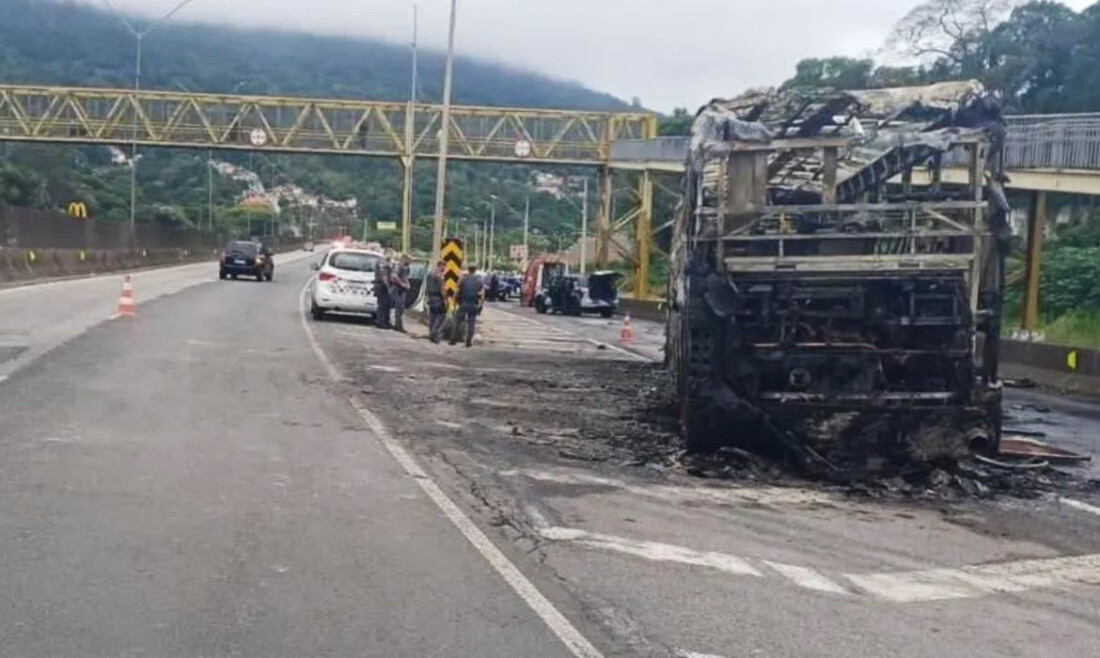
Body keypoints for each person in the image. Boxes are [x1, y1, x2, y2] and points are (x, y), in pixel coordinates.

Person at [450, 264, 484, 348]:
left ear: (468, 270)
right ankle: (468, 341)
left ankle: (453, 340)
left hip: (463, 303)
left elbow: (456, 291)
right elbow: (482, 294)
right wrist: (480, 305)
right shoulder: (479, 280)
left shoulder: (463, 279)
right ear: (475, 270)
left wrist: (453, 303)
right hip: (473, 304)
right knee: (471, 323)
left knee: (457, 321)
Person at [425, 259, 447, 343]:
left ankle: (431, 334)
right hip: (438, 298)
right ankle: (434, 334)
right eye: (444, 266)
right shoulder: (440, 275)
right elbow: (442, 289)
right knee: (441, 316)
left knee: (432, 316)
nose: (445, 268)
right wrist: (445, 300)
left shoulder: (430, 273)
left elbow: (426, 286)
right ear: (441, 266)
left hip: (431, 297)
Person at [390, 253, 411, 333]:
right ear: (404, 259)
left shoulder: (406, 267)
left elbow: (405, 277)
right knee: (399, 307)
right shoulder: (399, 266)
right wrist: (401, 284)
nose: (410, 261)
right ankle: (398, 326)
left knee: (401, 308)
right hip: (398, 289)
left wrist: (407, 283)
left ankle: (398, 325)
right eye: (409, 259)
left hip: (402, 289)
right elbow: (394, 276)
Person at [374, 250, 393, 329]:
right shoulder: (382, 262)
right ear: (385, 253)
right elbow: (384, 276)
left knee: (386, 304)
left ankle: (385, 321)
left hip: (383, 285)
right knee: (382, 304)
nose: (391, 256)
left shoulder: (387, 262)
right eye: (389, 254)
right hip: (382, 285)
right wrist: (388, 287)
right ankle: (381, 322)